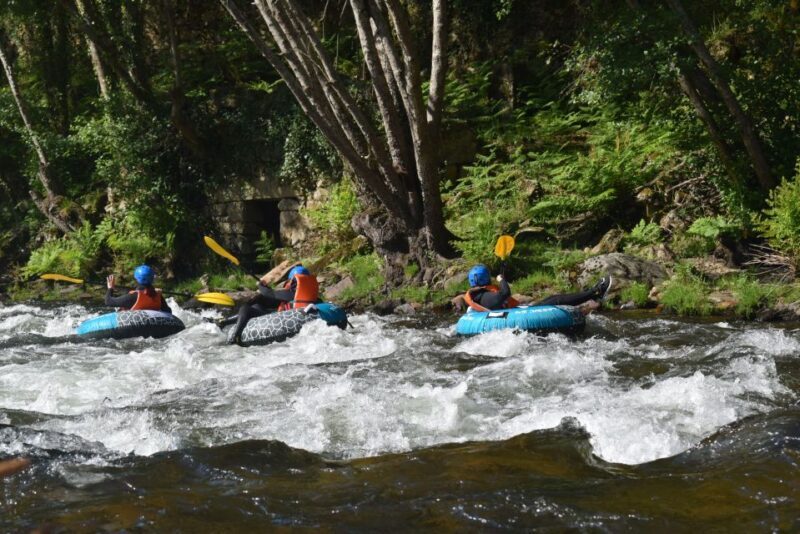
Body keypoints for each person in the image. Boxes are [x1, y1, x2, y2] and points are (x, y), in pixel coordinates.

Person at [218, 264, 320, 345]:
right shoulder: (315, 297)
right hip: (297, 320)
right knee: (257, 307)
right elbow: (274, 295)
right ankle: (224, 322)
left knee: (245, 308)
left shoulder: (290, 293)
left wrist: (261, 285)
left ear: (291, 281)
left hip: (285, 323)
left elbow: (268, 293)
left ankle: (235, 335)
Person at [463, 264, 612, 313]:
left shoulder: (477, 296)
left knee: (551, 299)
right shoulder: (484, 296)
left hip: (517, 312)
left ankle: (591, 296)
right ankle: (595, 292)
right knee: (555, 299)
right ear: (486, 279)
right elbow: (505, 293)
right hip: (517, 317)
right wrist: (502, 280)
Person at [105, 264, 171, 313]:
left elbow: (108, 302)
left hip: (134, 328)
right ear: (152, 279)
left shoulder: (132, 297)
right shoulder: (158, 295)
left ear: (136, 279)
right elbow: (168, 311)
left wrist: (110, 288)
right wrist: (154, 291)